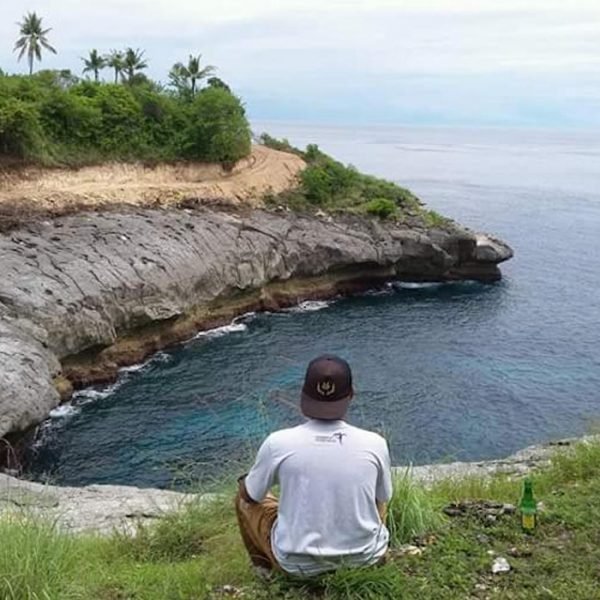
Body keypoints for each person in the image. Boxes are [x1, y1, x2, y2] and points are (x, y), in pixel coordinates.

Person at [235, 354, 393, 576]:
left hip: (295, 566)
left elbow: (251, 496)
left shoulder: (277, 442)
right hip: (365, 559)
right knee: (380, 496)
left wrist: (245, 482)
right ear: (351, 394)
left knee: (242, 498)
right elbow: (383, 497)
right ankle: (371, 549)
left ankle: (264, 571)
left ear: (303, 394)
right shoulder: (375, 443)